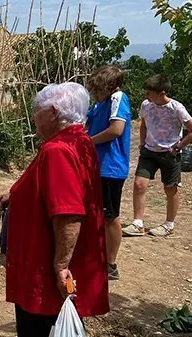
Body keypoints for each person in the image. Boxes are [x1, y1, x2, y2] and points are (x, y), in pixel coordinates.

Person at [0, 83, 109, 337]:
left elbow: (68, 212)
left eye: (37, 112)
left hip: (44, 271)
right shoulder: (79, 141)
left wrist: (60, 265)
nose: (33, 118)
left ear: (53, 113)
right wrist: (17, 192)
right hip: (61, 264)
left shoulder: (57, 150)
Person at [122, 74, 192, 237]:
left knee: (171, 188)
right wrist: (142, 143)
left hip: (170, 154)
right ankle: (138, 223)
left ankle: (169, 225)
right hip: (149, 151)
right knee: (139, 184)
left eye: (149, 93)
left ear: (161, 93)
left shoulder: (176, 108)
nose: (146, 96)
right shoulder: (146, 105)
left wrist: (179, 146)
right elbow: (143, 125)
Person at [85, 65, 131, 280]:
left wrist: (87, 142)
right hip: (95, 167)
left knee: (110, 216)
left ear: (111, 86)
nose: (95, 93)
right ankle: (97, 257)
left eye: (98, 89)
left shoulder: (118, 98)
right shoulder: (99, 104)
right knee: (96, 215)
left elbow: (116, 130)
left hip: (110, 169)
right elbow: (84, 123)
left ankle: (110, 264)